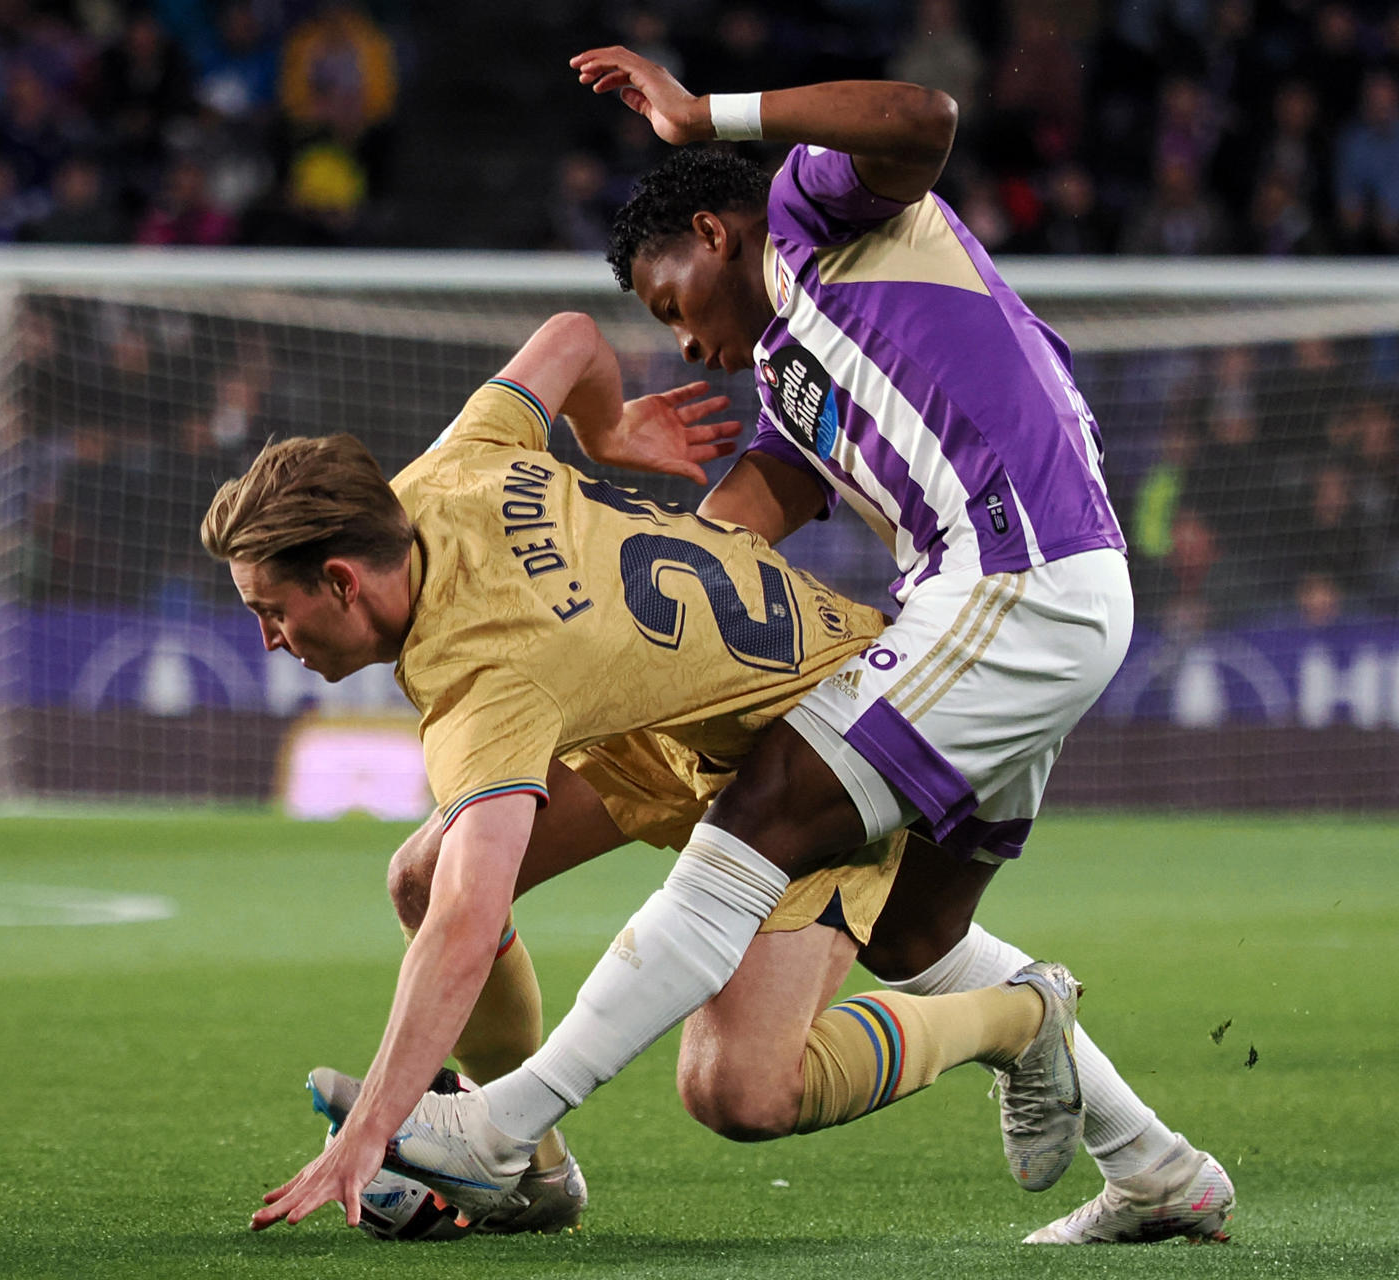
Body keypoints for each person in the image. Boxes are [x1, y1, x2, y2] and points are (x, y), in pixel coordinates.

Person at [358, 47, 1235, 1247]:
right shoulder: (796, 383)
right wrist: (604, 553)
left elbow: (922, 114)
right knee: (915, 934)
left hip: (1015, 578)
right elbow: (721, 541)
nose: (681, 344)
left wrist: (696, 114)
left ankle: (505, 1120)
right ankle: (1155, 1167)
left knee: (762, 815)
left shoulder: (815, 218)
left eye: (668, 302)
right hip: (1026, 606)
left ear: (713, 232)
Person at [211, 312, 1088, 1234]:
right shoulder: (449, 464)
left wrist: (374, 1131)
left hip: (826, 744)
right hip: (677, 719)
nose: (270, 639)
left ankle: (1020, 1021)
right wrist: (606, 427)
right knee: (424, 877)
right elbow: (572, 338)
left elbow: (472, 926)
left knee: (741, 1092)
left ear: (345, 581)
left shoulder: (483, 675)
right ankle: (528, 1175)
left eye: (273, 610)